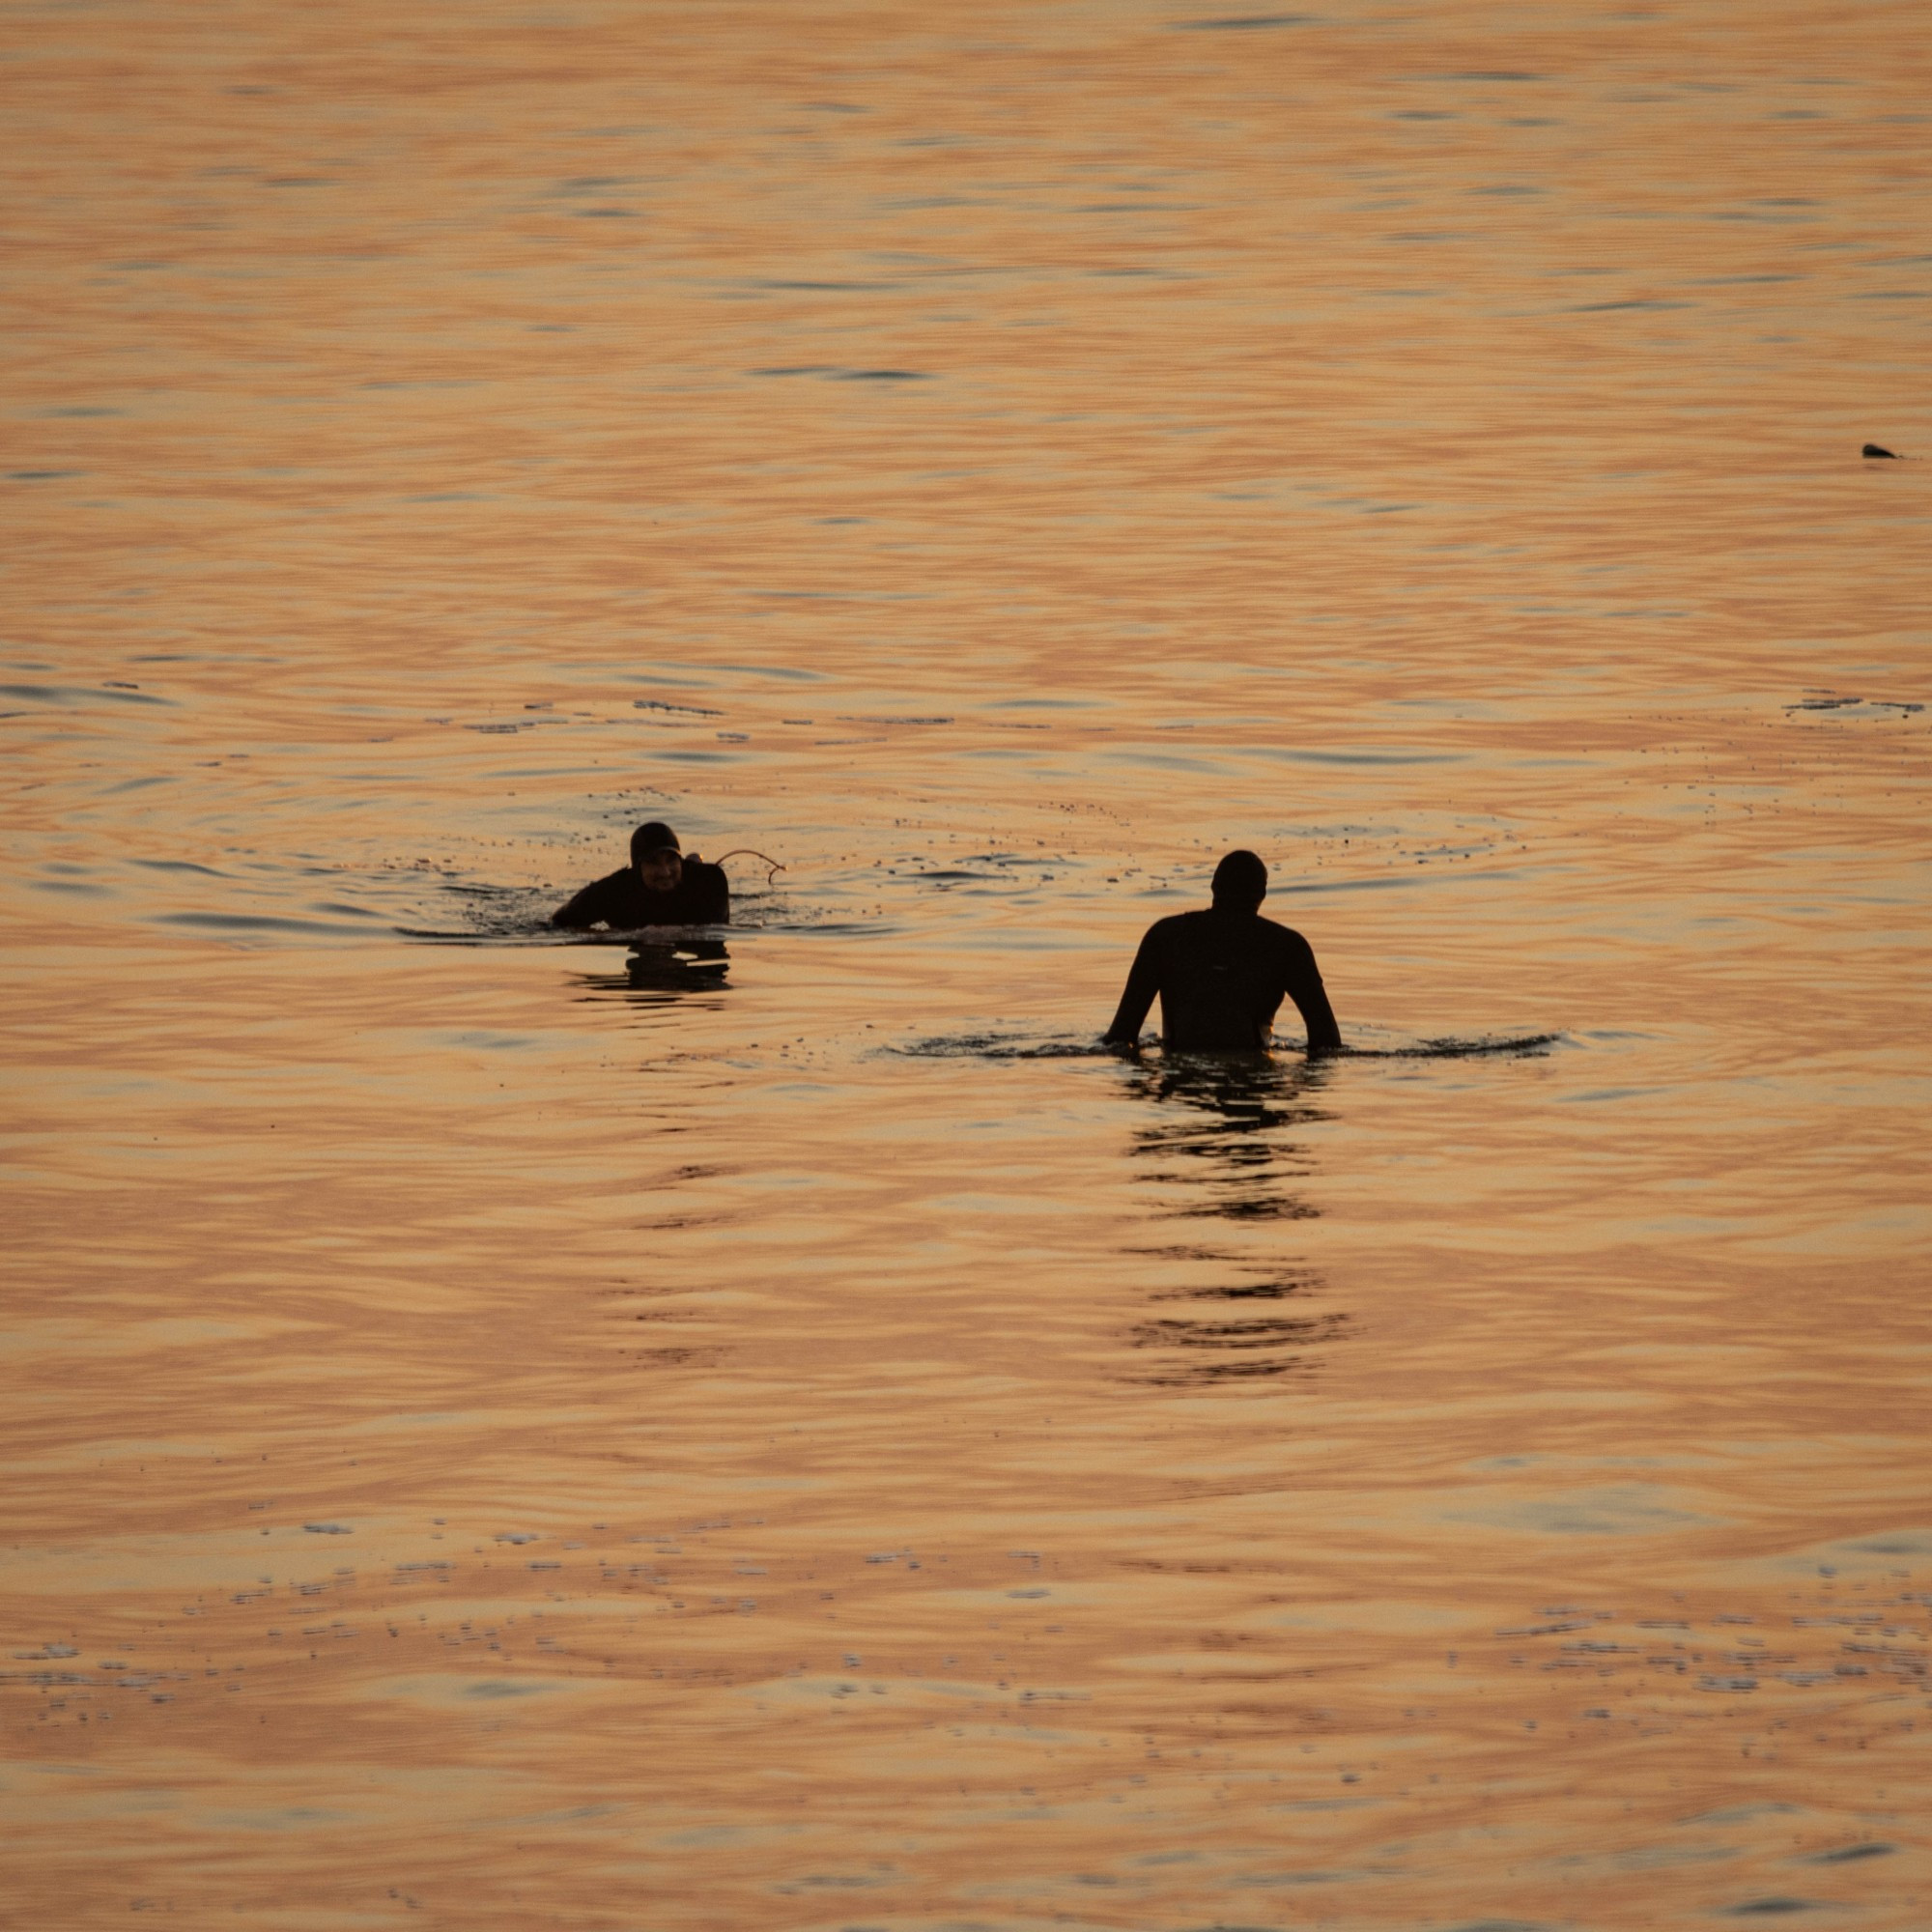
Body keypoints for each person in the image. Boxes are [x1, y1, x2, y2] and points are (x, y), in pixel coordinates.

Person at [1102, 849, 1340, 1055]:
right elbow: (1326, 1043)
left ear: (1213, 886)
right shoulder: (1287, 946)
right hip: (1252, 1080)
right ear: (1262, 894)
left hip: (1182, 1089)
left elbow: (1121, 1038)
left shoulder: (1164, 936)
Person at [551, 821, 729, 930]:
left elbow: (714, 931)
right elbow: (559, 923)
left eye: (671, 860)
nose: (665, 871)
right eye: (653, 862)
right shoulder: (614, 891)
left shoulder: (708, 880)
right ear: (637, 869)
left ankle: (693, 861)